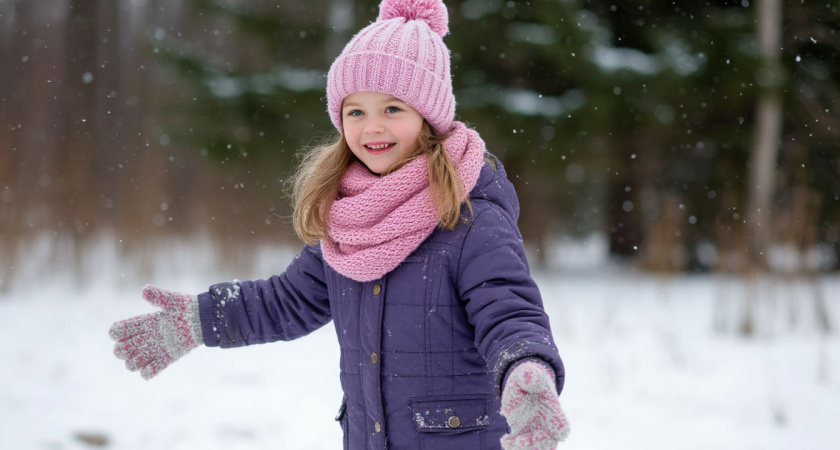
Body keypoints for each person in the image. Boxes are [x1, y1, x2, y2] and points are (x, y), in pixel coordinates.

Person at [109, 0, 569, 448]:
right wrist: (201, 319)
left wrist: (526, 370)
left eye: (392, 109)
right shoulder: (347, 219)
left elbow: (508, 313)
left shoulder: (470, 221)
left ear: (428, 117)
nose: (372, 127)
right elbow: (286, 300)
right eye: (356, 111)